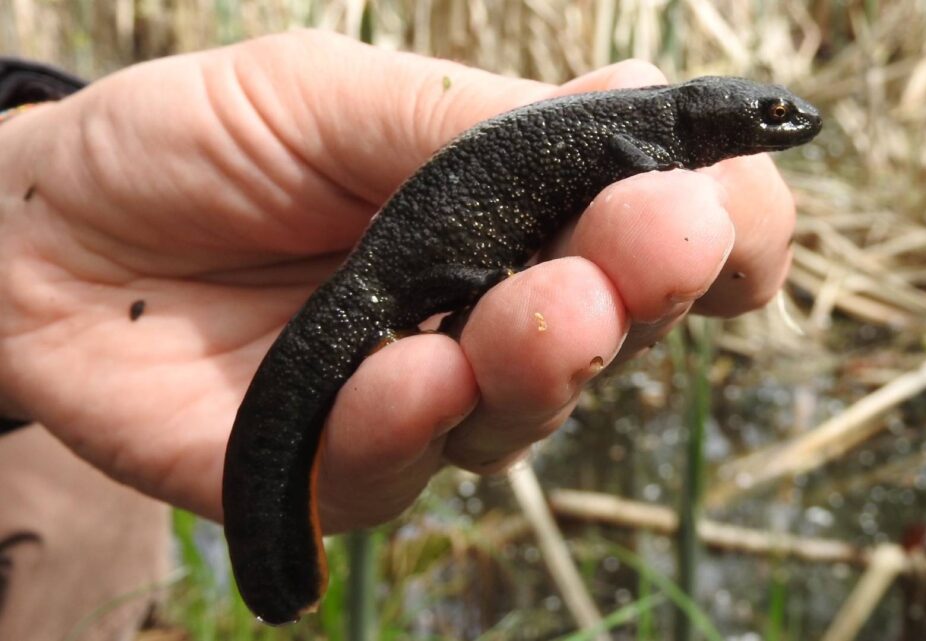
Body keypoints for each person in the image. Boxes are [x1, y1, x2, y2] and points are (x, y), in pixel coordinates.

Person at [0, 30, 798, 638]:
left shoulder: (656, 136)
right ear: (709, 114)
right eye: (769, 116)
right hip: (406, 268)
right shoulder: (645, 136)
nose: (784, 126)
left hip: (403, 267)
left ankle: (274, 578)